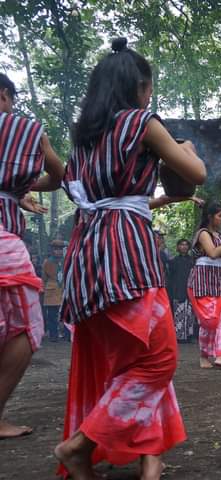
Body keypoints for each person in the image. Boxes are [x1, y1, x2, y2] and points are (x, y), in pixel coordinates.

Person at [54, 38, 205, 480]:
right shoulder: (141, 123)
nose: (150, 94)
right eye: (148, 87)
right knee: (159, 359)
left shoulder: (83, 140)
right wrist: (189, 148)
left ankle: (147, 464)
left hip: (86, 257)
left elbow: (91, 194)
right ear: (138, 87)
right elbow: (195, 174)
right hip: (127, 256)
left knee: (130, 362)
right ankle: (79, 446)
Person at [0, 73, 64, 439]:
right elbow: (58, 175)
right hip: (3, 239)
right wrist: (19, 188)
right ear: (4, 95)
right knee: (26, 326)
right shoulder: (26, 129)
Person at [187, 201, 221, 370]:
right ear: (210, 217)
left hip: (217, 279)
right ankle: (204, 356)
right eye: (219, 216)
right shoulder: (203, 233)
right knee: (210, 321)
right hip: (202, 281)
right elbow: (212, 253)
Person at [168, 238, 196, 342]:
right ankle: (179, 337)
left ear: (188, 247)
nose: (184, 246)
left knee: (190, 314)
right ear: (178, 247)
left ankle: (189, 336)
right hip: (177, 291)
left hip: (190, 291)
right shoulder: (173, 261)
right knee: (178, 314)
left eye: (186, 245)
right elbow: (170, 278)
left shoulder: (193, 261)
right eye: (181, 244)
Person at [42, 240, 66, 342]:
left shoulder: (65, 261)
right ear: (52, 250)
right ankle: (53, 335)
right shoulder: (47, 262)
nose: (58, 251)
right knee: (52, 315)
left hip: (63, 290)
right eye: (56, 249)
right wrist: (44, 290)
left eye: (60, 249)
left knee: (65, 313)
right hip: (51, 291)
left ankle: (67, 335)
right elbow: (44, 279)